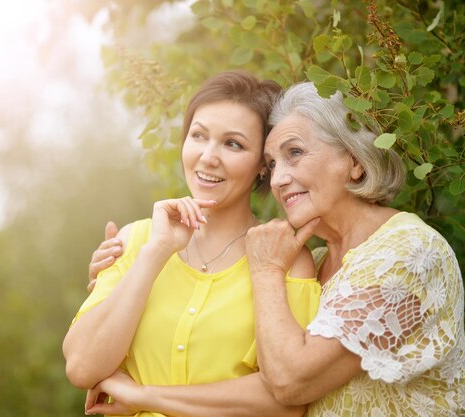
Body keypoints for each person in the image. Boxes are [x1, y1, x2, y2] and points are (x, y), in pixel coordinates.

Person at [62, 71, 322, 417]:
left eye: (233, 144)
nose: (208, 157)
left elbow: (286, 402)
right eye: (199, 136)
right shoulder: (136, 241)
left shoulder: (286, 259)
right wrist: (155, 252)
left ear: (263, 165)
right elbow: (82, 367)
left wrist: (142, 395)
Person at [245, 81, 465, 416]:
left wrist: (265, 271)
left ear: (354, 161)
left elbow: (289, 381)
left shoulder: (409, 252)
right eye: (273, 164)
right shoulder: (315, 261)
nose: (278, 179)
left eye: (294, 153)